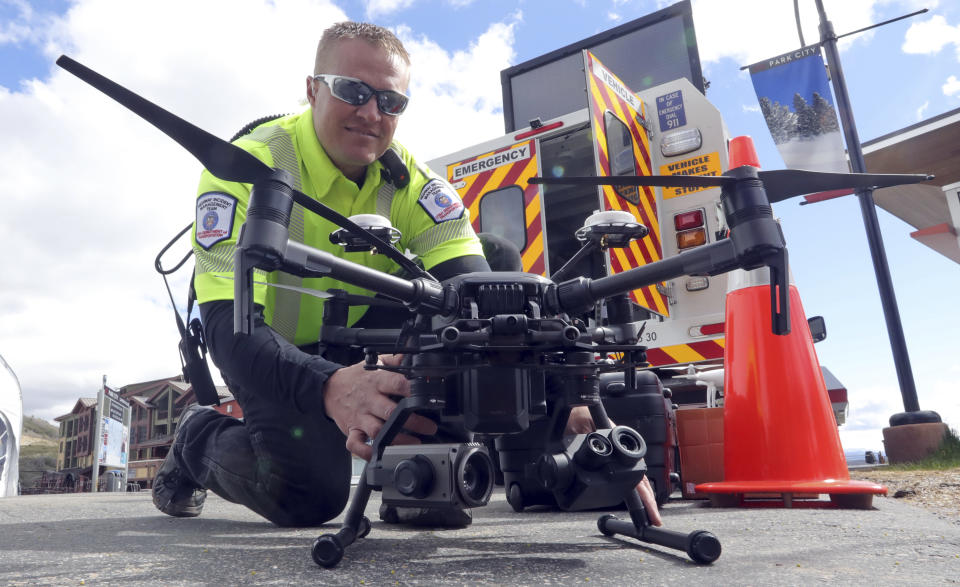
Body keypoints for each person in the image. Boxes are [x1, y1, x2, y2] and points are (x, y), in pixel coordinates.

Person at [152, 21, 661, 529]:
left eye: (391, 102)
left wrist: (574, 408)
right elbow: (227, 328)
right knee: (305, 494)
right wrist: (330, 387)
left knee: (497, 266)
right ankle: (196, 439)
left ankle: (437, 475)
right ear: (312, 89)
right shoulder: (243, 168)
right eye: (352, 91)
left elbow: (486, 308)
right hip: (269, 346)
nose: (372, 114)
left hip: (363, 337)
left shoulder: (414, 185)